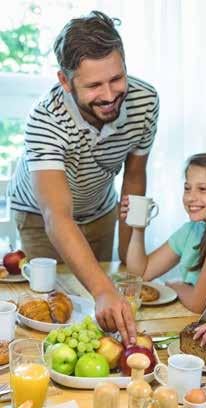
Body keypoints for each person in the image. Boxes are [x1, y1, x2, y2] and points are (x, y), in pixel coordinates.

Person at [10, 11, 159, 343]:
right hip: (40, 216)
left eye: (117, 79)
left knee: (103, 302)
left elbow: (135, 176)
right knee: (50, 312)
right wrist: (104, 289)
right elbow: (57, 216)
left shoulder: (145, 101)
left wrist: (127, 265)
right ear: (65, 81)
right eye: (93, 85)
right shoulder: (46, 119)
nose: (109, 96)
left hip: (100, 209)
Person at [121, 151, 206, 319]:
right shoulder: (193, 229)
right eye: (187, 188)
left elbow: (199, 304)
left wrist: (176, 284)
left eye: (203, 189)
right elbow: (140, 274)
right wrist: (138, 228)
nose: (191, 197)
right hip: (202, 329)